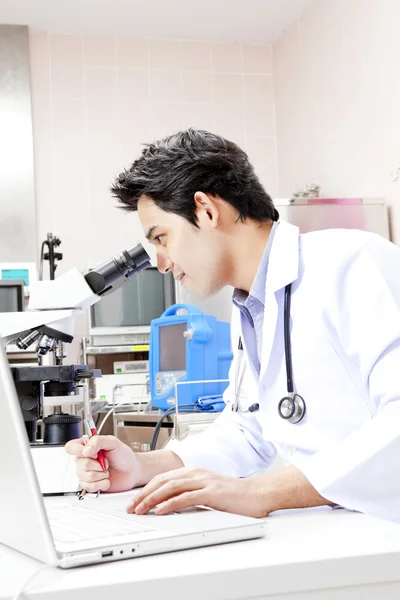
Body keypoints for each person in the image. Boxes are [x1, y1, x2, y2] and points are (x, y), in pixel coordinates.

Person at [66, 129, 400, 522]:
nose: (159, 262)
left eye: (162, 237)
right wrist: (143, 467)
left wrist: (264, 492)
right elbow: (248, 429)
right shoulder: (250, 304)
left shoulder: (352, 262)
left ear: (206, 210)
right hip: (336, 530)